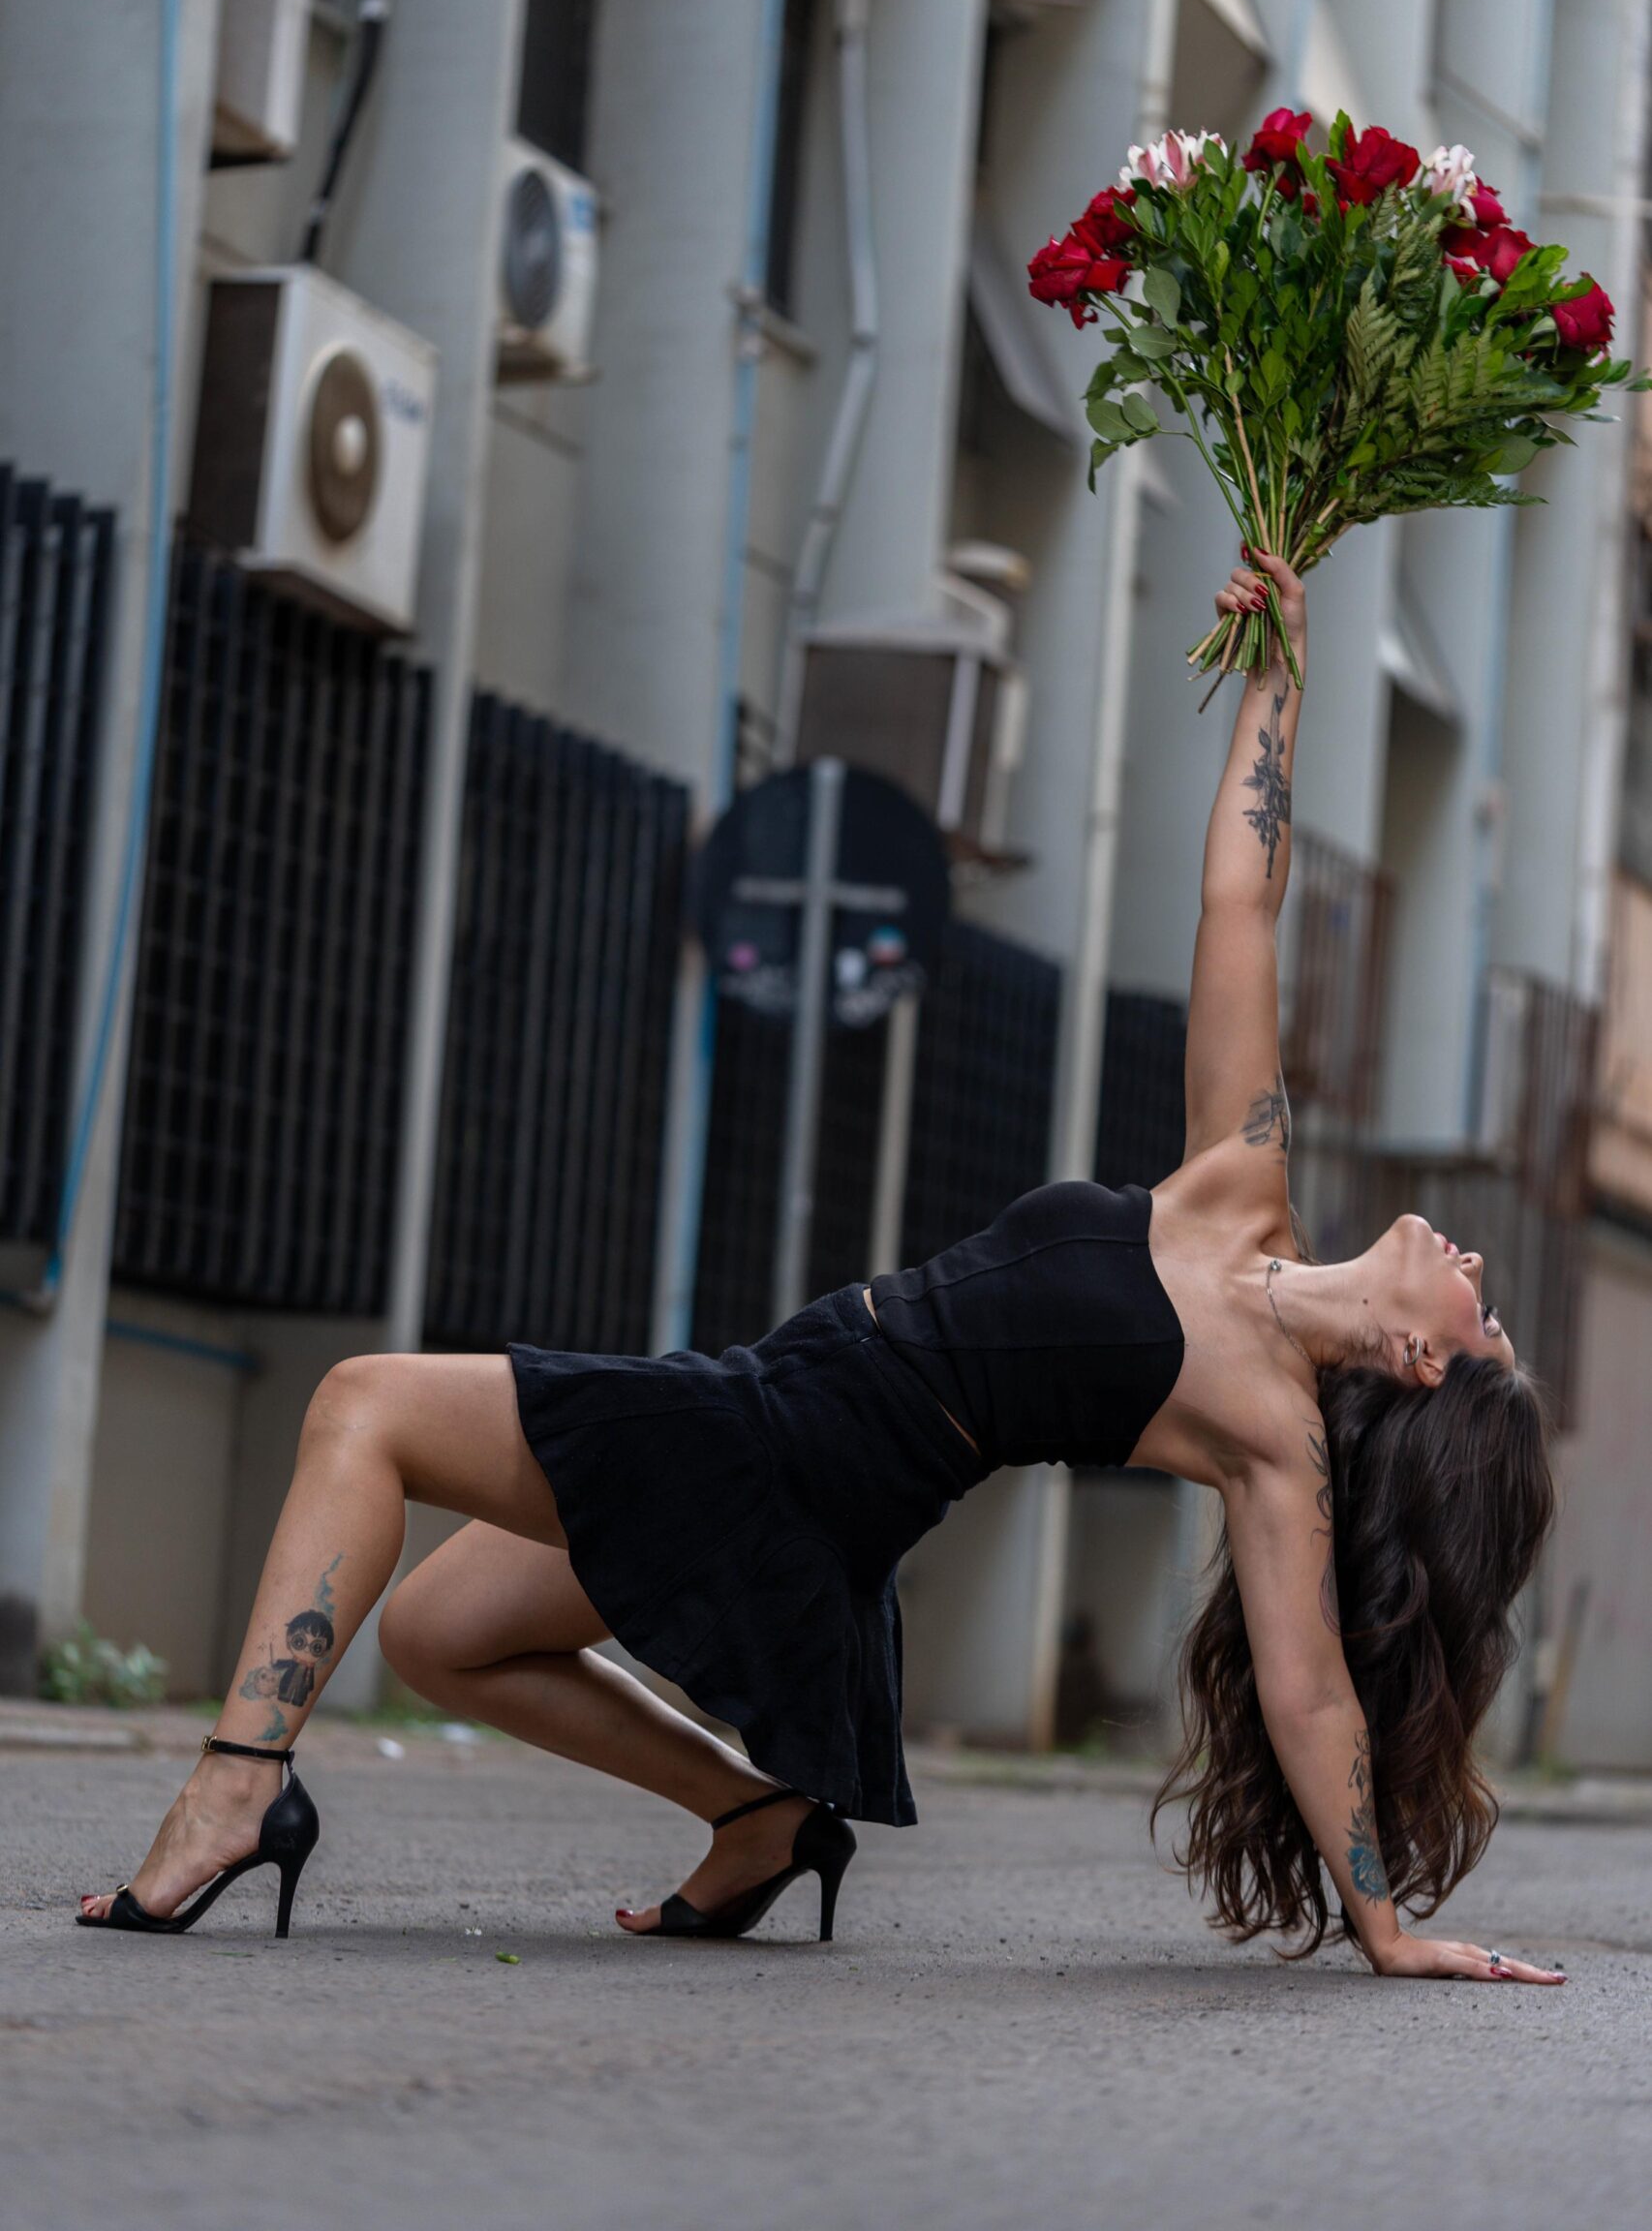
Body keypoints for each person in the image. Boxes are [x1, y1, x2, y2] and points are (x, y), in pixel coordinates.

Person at [76, 553, 1564, 1985]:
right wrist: (1275, 683)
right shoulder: (1239, 1179)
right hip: (774, 1409)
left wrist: (1383, 1924)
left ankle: (237, 1788)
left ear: (1422, 1362)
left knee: (363, 1404)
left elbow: (1306, 1692)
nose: (1471, 1261)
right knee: (441, 1633)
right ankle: (759, 1817)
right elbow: (1240, 905)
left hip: (790, 1459)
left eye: (1478, 1315)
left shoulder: (1273, 1445)